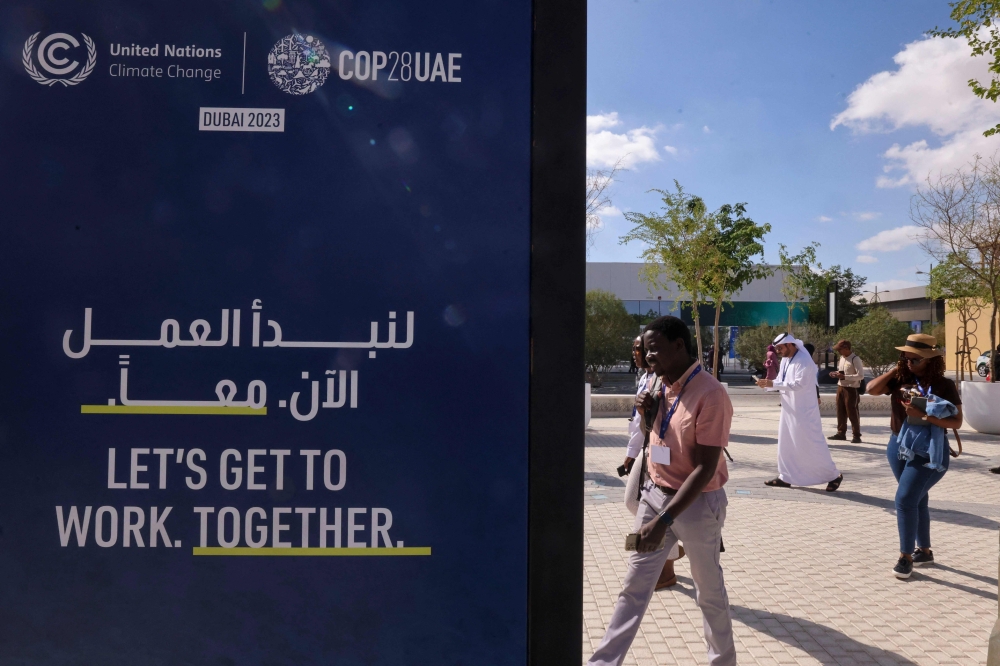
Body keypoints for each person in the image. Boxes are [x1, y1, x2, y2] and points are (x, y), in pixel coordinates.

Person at [589, 316, 735, 666]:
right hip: (655, 496)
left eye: (653, 349)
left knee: (709, 593)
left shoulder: (711, 394)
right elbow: (656, 437)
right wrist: (647, 417)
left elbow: (704, 468)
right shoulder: (657, 383)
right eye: (645, 349)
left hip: (696, 505)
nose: (647, 355)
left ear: (679, 346)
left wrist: (663, 521)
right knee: (633, 588)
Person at [866, 333, 963, 579]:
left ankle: (905, 557)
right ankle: (925, 551)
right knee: (917, 499)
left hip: (929, 450)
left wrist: (926, 418)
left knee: (905, 499)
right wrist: (894, 370)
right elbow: (871, 389)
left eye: (915, 359)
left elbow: (957, 422)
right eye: (905, 358)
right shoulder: (901, 377)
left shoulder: (945, 385)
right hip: (897, 445)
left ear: (930, 360)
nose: (909, 363)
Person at [624, 336, 685, 589]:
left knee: (652, 506)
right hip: (646, 450)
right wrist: (631, 452)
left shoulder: (665, 378)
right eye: (636, 349)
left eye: (641, 349)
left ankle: (667, 567)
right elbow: (640, 422)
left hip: (663, 452)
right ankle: (672, 553)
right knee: (632, 501)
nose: (637, 353)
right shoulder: (645, 378)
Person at [754, 333, 843, 491]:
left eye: (780, 348)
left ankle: (834, 475)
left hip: (805, 411)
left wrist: (773, 383)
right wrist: (768, 384)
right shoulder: (786, 360)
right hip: (789, 408)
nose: (779, 351)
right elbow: (781, 381)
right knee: (786, 442)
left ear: (790, 345)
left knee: (814, 444)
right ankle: (786, 477)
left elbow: (798, 384)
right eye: (777, 349)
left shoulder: (804, 360)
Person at [828, 339, 863, 443]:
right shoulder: (842, 358)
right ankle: (841, 433)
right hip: (841, 387)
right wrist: (836, 373)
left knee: (852, 412)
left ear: (846, 348)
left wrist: (845, 376)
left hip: (851, 389)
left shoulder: (855, 359)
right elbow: (842, 372)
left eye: (840, 349)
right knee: (840, 411)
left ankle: (856, 435)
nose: (839, 351)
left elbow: (860, 376)